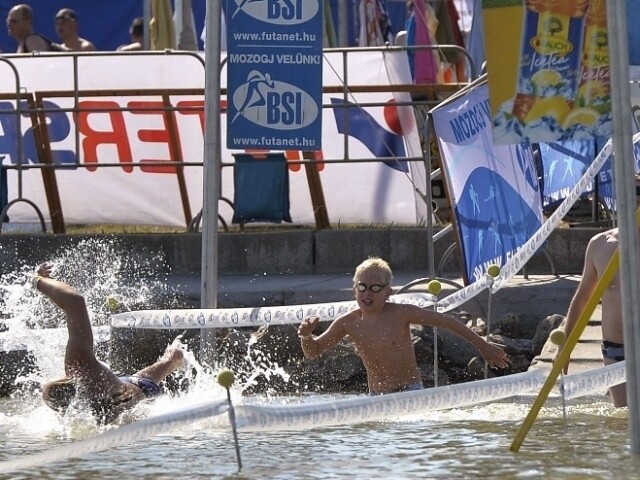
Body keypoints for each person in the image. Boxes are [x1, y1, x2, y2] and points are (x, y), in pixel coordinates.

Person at [298, 257, 510, 394]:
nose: (367, 293)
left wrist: (484, 346)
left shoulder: (400, 314)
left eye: (374, 288)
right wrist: (306, 337)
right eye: (362, 287)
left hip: (409, 390)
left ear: (388, 292)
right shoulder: (348, 323)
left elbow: (448, 321)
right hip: (377, 396)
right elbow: (313, 351)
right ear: (354, 290)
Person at [32, 262, 185, 424]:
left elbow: (75, 301)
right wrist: (39, 281)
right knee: (171, 359)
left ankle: (175, 357)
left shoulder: (80, 366)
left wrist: (38, 281)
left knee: (173, 358)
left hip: (133, 388)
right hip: (138, 391)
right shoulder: (84, 380)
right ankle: (175, 357)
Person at [559, 228, 628, 407]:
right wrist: (565, 348)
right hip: (616, 349)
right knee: (623, 418)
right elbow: (583, 297)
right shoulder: (600, 243)